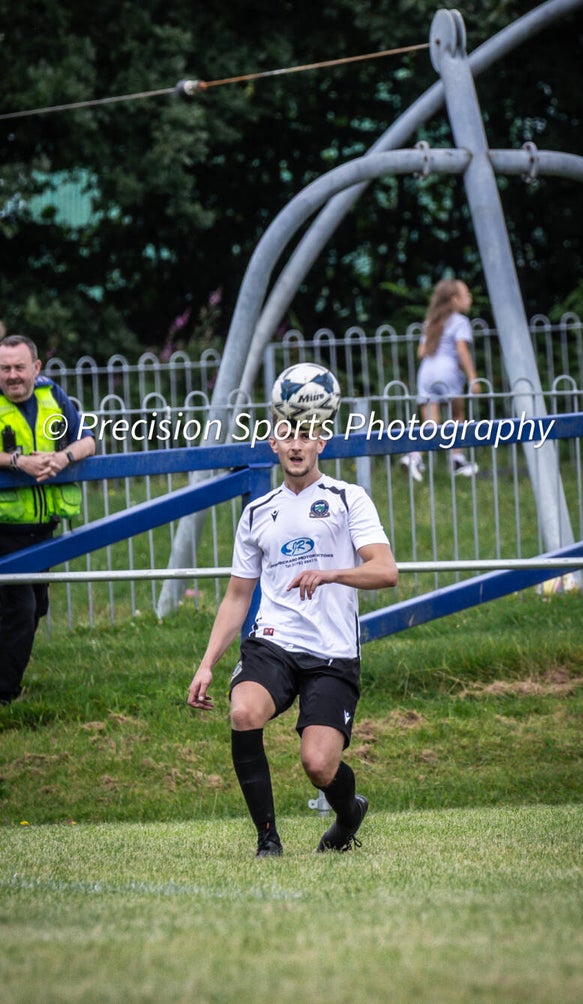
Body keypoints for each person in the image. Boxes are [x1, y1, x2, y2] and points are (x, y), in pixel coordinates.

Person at [187, 419, 398, 857]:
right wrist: (207, 663)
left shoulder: (348, 498)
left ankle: (348, 814)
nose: (296, 445)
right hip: (273, 641)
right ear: (274, 444)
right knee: (244, 712)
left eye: (306, 436)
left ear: (321, 441)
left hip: (332, 650)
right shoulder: (257, 511)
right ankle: (268, 840)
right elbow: (237, 597)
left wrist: (331, 573)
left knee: (319, 765)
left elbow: (386, 571)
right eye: (287, 436)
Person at [0, 334, 96, 703]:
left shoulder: (52, 395)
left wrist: (63, 458)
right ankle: (5, 695)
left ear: (35, 368)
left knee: (35, 608)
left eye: (18, 367)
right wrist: (16, 462)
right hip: (5, 529)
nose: (12, 376)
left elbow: (87, 440)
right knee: (20, 610)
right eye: (4, 368)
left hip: (43, 528)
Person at [401, 278, 481, 482]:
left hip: (427, 372)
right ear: (455, 299)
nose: (470, 298)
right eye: (467, 294)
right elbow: (461, 350)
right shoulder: (460, 322)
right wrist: (472, 376)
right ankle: (457, 459)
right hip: (447, 371)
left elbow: (421, 351)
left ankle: (415, 457)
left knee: (430, 423)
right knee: (457, 417)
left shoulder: (431, 322)